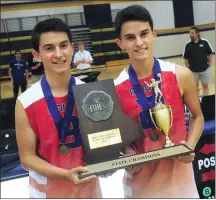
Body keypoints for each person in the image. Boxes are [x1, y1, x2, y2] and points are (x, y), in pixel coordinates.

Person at [114, 5, 204, 198]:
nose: (139, 42)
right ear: (120, 43)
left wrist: (190, 144)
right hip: (141, 189)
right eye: (130, 38)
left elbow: (197, 116)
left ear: (154, 34)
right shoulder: (115, 89)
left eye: (144, 34)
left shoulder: (180, 75)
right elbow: (117, 138)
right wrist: (127, 153)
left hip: (183, 186)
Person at [15, 18, 102, 198]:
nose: (58, 54)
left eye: (63, 46)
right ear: (36, 54)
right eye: (49, 48)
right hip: (48, 192)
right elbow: (27, 158)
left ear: (72, 48)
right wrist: (65, 175)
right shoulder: (26, 101)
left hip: (88, 189)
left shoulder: (90, 93)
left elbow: (103, 141)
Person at [183, 26, 214, 95]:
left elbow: (210, 54)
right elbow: (186, 59)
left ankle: (206, 102)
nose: (190, 35)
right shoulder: (188, 45)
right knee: (195, 88)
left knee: (205, 87)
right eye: (189, 33)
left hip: (205, 70)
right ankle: (197, 103)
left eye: (192, 33)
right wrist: (188, 68)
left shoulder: (205, 42)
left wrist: (209, 64)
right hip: (193, 72)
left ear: (197, 34)